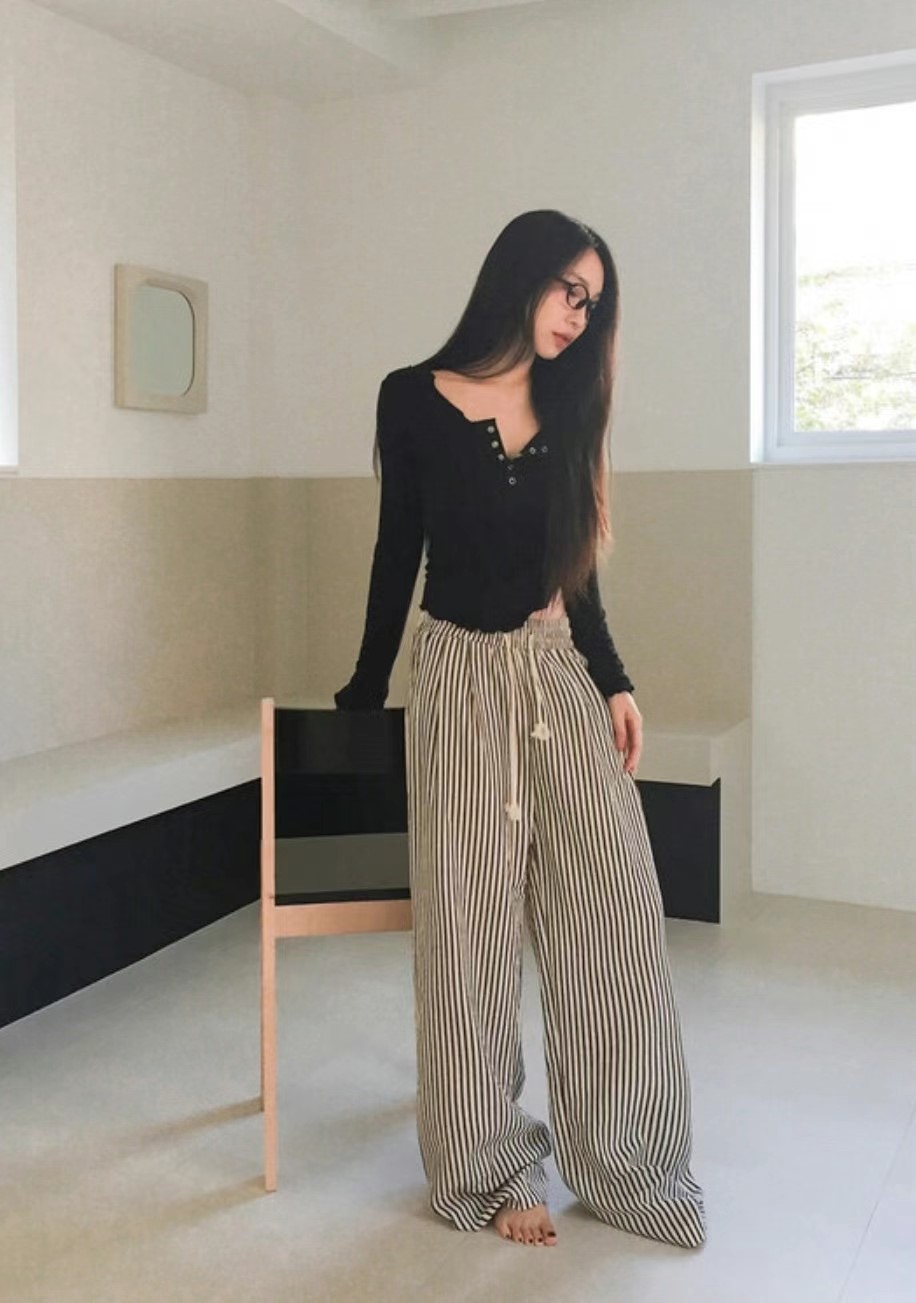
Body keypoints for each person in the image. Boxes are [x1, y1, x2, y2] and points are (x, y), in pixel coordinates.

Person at [334, 210, 707, 1251]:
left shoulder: (570, 404)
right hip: (457, 679)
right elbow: (397, 549)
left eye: (593, 302)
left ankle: (628, 1158)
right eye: (567, 289)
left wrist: (614, 680)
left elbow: (576, 562)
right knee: (469, 932)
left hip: (553, 673)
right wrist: (363, 690)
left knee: (614, 916)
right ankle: (489, 1165)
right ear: (520, 275)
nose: (577, 316)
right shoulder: (411, 396)